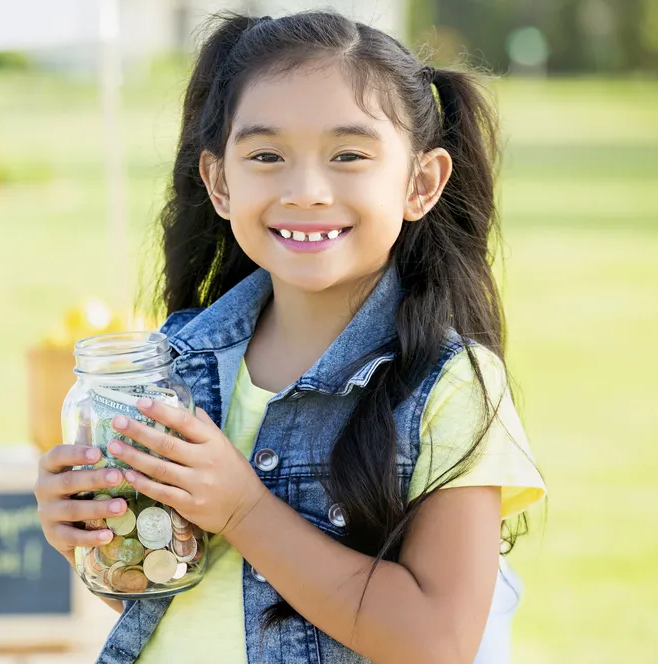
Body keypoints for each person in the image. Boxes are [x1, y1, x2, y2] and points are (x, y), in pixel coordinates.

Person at [34, 11, 546, 664]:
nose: (306, 191)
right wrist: (89, 536)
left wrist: (245, 512)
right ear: (220, 182)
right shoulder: (174, 363)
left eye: (349, 156)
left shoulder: (448, 385)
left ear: (421, 183)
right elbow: (190, 597)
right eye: (267, 156)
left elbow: (436, 641)